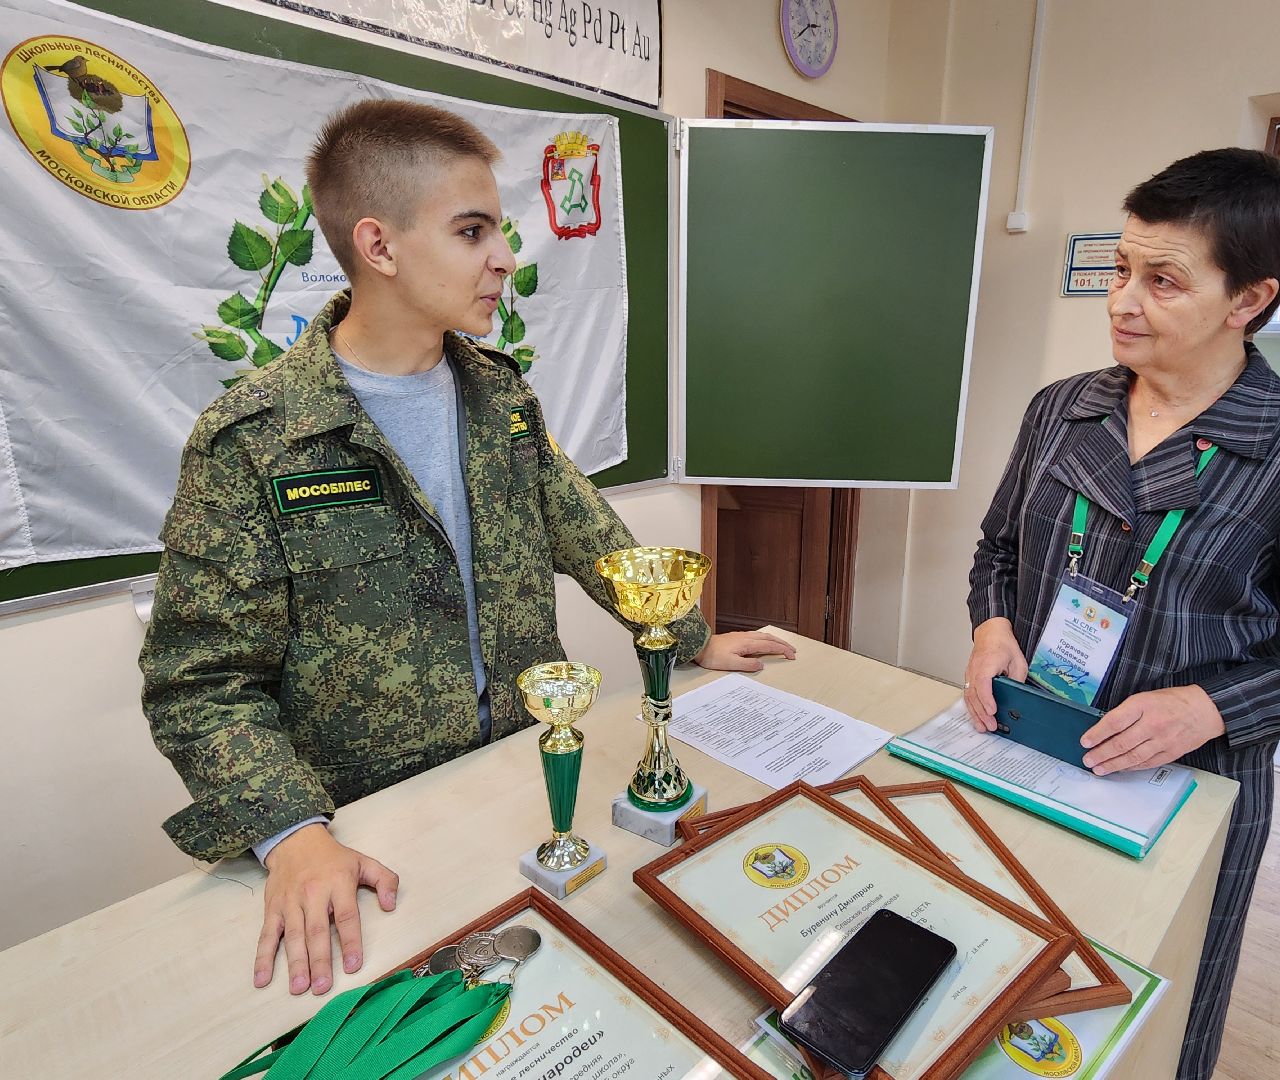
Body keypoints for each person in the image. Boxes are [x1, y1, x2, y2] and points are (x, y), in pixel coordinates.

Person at [139, 100, 794, 1000]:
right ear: (380, 246)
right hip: (373, 838)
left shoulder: (501, 398)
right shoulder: (256, 441)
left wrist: (688, 638)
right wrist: (290, 832)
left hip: (532, 784)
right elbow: (201, 681)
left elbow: (584, 527)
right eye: (473, 230)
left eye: (500, 229)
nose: (504, 259)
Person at [962, 148, 1280, 1080]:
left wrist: (1208, 708)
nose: (1124, 300)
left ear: (1249, 299)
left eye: (1163, 281)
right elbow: (998, 548)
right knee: (1009, 991)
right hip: (1029, 743)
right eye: (1122, 271)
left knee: (1151, 1020)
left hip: (1187, 791)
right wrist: (991, 627)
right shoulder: (1063, 410)